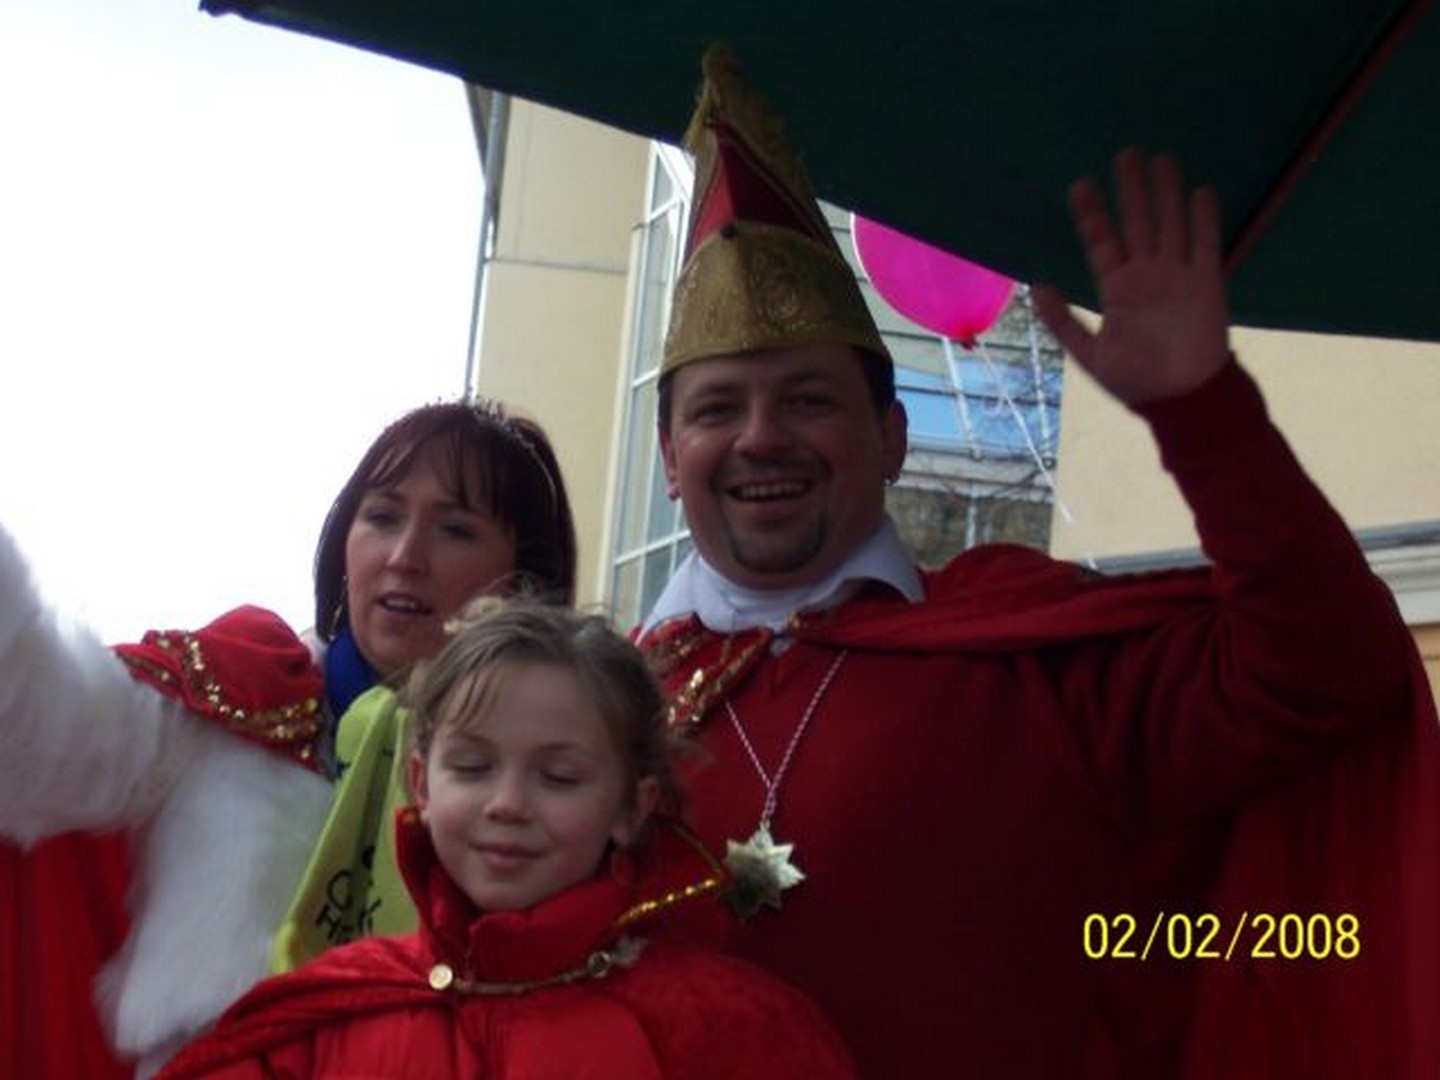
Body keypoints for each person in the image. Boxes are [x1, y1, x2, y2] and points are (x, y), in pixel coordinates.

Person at [635, 44, 1440, 1079]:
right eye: (717, 409)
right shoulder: (592, 705)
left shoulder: (1038, 662)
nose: (761, 437)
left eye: (808, 399)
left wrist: (1202, 414)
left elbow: (1331, 672)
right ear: (670, 458)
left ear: (893, 438)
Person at [0, 399, 578, 1079]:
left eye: (455, 529)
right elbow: (32, 736)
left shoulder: (570, 775)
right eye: (382, 516)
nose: (404, 556)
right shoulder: (234, 701)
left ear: (524, 581)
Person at [152, 596, 856, 1079]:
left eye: (559, 776)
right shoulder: (314, 1022)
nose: (508, 804)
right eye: (473, 767)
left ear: (630, 807)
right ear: (423, 785)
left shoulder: (730, 1033)